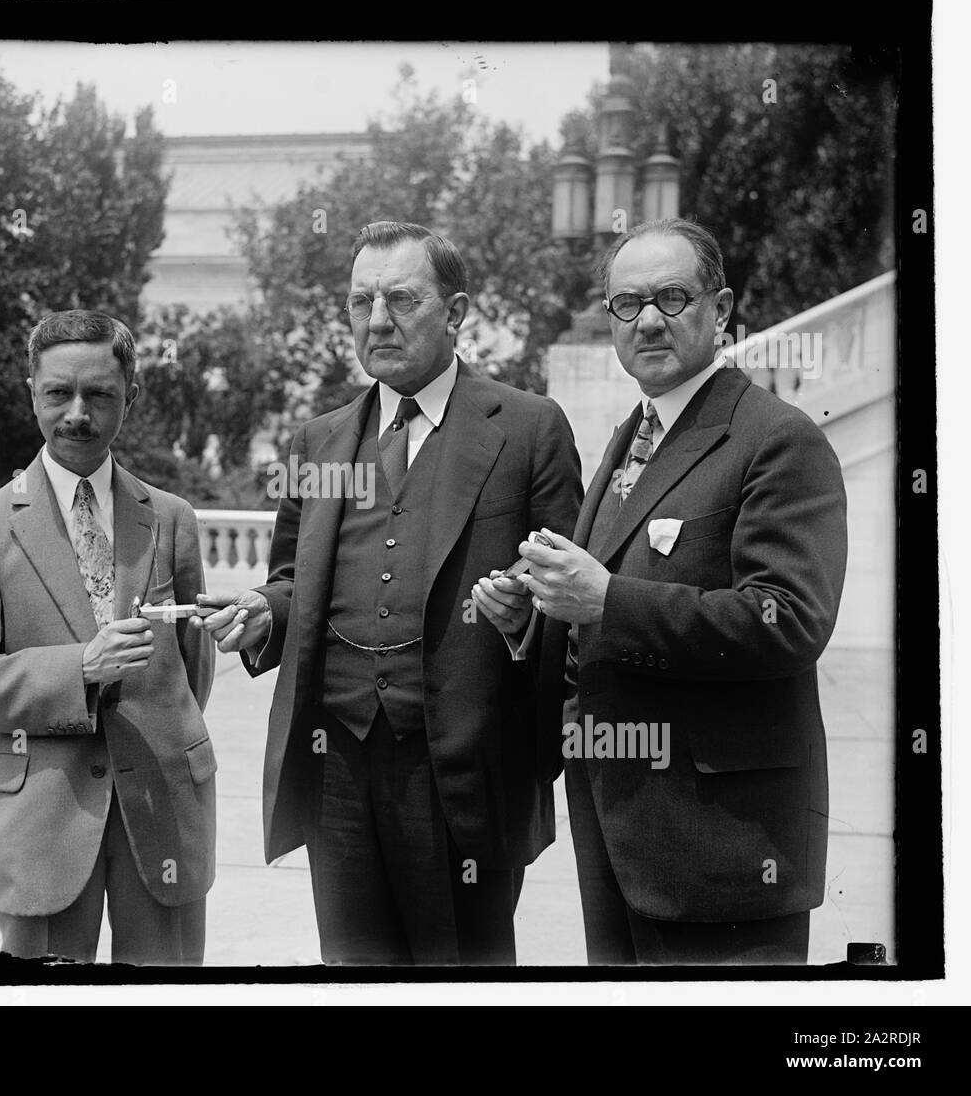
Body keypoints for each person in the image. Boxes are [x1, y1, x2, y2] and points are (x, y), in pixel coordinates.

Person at [195, 221, 583, 965]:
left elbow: (573, 600)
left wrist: (522, 623)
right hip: (335, 762)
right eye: (360, 301)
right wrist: (263, 614)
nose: (377, 320)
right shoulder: (320, 440)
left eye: (401, 298)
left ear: (457, 310)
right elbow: (290, 579)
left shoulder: (529, 428)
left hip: (462, 772)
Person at [518, 218, 847, 965]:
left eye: (673, 296)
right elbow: (597, 610)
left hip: (724, 845)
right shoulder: (631, 435)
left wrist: (607, 599)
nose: (650, 320)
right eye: (627, 304)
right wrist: (533, 614)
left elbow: (790, 619)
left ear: (722, 308)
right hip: (618, 829)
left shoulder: (776, 438)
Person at [0, 310, 215, 965]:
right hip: (42, 820)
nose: (78, 414)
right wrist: (80, 668)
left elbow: (191, 670)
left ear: (132, 395)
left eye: (100, 394)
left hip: (164, 807)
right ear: (32, 390)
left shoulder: (172, 519)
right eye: (59, 392)